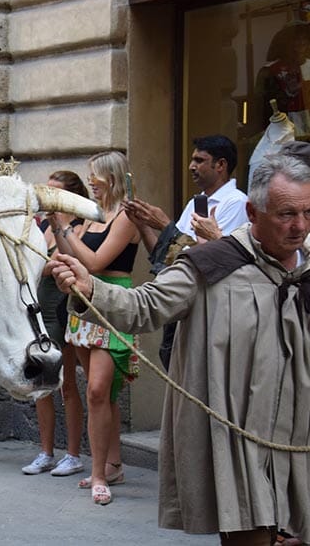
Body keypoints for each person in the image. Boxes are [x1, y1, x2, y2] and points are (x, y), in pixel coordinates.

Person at [48, 148, 310, 545]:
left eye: (308, 213)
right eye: (286, 214)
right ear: (254, 214)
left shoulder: (306, 269)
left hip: (300, 442)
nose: (299, 226)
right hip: (238, 443)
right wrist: (90, 290)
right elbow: (144, 306)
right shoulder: (212, 263)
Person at [47, 151, 140, 506]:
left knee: (97, 390)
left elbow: (97, 260)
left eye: (94, 178)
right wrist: (58, 225)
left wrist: (67, 228)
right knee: (103, 394)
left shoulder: (126, 215)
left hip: (114, 301)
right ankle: (112, 463)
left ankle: (100, 473)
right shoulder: (91, 216)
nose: (90, 184)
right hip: (83, 304)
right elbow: (68, 253)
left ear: (111, 178)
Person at [125, 135, 249, 369]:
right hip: (181, 306)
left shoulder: (237, 203)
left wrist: (164, 224)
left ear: (220, 165)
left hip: (210, 310)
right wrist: (142, 225)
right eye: (192, 160)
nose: (192, 166)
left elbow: (213, 259)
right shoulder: (196, 202)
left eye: (199, 160)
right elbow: (169, 259)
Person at [22, 170, 87, 477]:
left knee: (69, 385)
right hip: (39, 309)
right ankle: (46, 451)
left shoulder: (78, 225)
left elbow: (70, 261)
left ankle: (73, 454)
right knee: (41, 383)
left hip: (62, 309)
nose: (46, 196)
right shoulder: (43, 224)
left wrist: (40, 265)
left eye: (53, 192)